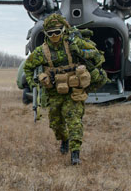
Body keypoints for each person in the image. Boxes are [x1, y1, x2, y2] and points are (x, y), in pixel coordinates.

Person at [23, 13, 108, 165]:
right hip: (54, 92)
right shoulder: (42, 52)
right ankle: (64, 140)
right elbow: (28, 67)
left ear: (63, 30)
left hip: (74, 90)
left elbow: (98, 56)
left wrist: (81, 53)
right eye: (50, 33)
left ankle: (75, 153)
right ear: (46, 34)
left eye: (57, 32)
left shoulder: (74, 43)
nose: (54, 36)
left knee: (74, 120)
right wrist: (33, 82)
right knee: (56, 123)